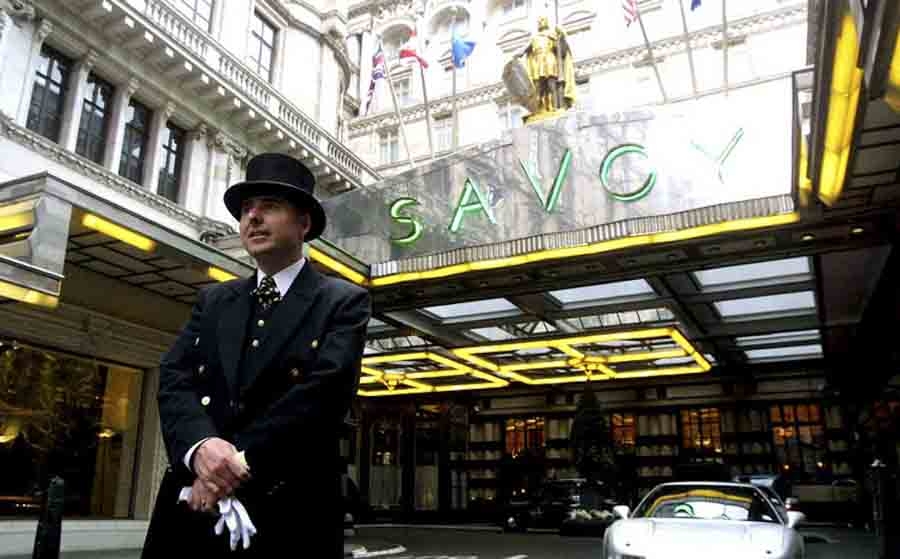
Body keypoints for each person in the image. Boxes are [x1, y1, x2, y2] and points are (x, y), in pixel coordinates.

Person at [142, 153, 371, 557]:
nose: (253, 217)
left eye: (270, 206)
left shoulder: (342, 301)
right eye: (247, 208)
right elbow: (174, 376)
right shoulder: (214, 300)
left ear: (304, 224)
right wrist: (200, 449)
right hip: (192, 508)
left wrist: (227, 470)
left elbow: (323, 396)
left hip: (288, 514)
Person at [522, 15, 576, 117]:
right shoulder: (534, 38)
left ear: (546, 22)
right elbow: (525, 49)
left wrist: (561, 35)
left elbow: (560, 48)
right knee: (538, 87)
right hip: (538, 62)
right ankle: (536, 109)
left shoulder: (552, 35)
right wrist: (516, 55)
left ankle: (556, 107)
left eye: (543, 20)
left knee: (552, 84)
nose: (540, 22)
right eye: (539, 21)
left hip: (549, 59)